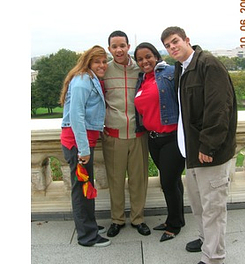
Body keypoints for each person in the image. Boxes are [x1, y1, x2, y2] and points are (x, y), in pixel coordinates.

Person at [161, 27, 237, 264]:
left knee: (213, 207)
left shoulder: (208, 64)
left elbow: (218, 108)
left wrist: (209, 146)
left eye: (175, 42)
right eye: (168, 45)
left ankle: (214, 258)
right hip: (191, 152)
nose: (172, 47)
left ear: (187, 40)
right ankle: (206, 241)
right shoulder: (181, 69)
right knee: (198, 203)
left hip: (209, 153)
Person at [134, 42, 186, 242]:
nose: (144, 61)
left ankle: (173, 226)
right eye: (140, 59)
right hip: (153, 139)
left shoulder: (170, 73)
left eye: (148, 56)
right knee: (173, 182)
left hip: (172, 138)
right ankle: (177, 218)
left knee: (167, 183)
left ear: (156, 56)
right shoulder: (142, 80)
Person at [60, 45, 111, 247]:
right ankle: (87, 236)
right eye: (97, 61)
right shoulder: (83, 81)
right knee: (82, 189)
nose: (101, 65)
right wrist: (83, 150)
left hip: (82, 141)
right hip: (77, 143)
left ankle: (88, 225)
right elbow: (76, 116)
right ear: (88, 62)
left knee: (85, 186)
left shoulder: (89, 78)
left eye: (103, 61)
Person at [102, 31, 150, 237]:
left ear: (128, 46)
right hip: (113, 135)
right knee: (115, 179)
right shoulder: (103, 70)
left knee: (139, 180)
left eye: (122, 45)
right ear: (110, 49)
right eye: (114, 46)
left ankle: (138, 219)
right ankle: (117, 219)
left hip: (139, 134)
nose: (118, 50)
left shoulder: (140, 69)